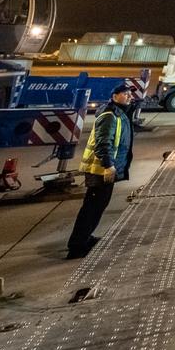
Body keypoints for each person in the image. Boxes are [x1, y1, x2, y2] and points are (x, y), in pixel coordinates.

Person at [67, 79, 135, 259]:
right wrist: (109, 166)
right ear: (114, 96)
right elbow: (103, 143)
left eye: (130, 94)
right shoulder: (109, 116)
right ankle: (77, 246)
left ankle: (85, 238)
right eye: (125, 94)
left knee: (97, 207)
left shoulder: (118, 114)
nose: (129, 96)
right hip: (100, 170)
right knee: (91, 208)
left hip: (105, 169)